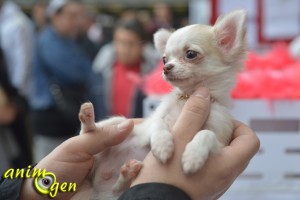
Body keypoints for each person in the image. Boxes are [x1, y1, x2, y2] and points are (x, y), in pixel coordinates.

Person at [0, 86, 259, 200]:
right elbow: (151, 128)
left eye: (191, 55)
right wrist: (162, 194)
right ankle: (89, 131)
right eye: (166, 59)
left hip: (108, 182)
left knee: (121, 127)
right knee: (121, 124)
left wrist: (37, 187)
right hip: (112, 175)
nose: (168, 66)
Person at [30, 0, 105, 163]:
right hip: (52, 117)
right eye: (72, 15)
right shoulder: (49, 41)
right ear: (55, 16)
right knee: (48, 175)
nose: (77, 21)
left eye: (80, 16)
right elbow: (77, 73)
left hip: (65, 114)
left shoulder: (68, 40)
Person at [93, 19, 160, 118]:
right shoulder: (101, 70)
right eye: (120, 42)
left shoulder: (153, 74)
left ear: (143, 46)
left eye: (131, 43)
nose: (125, 49)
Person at [0, 0, 34, 169]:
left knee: (19, 154)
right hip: (8, 95)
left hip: (13, 96)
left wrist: (14, 97)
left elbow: (23, 63)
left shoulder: (16, 22)